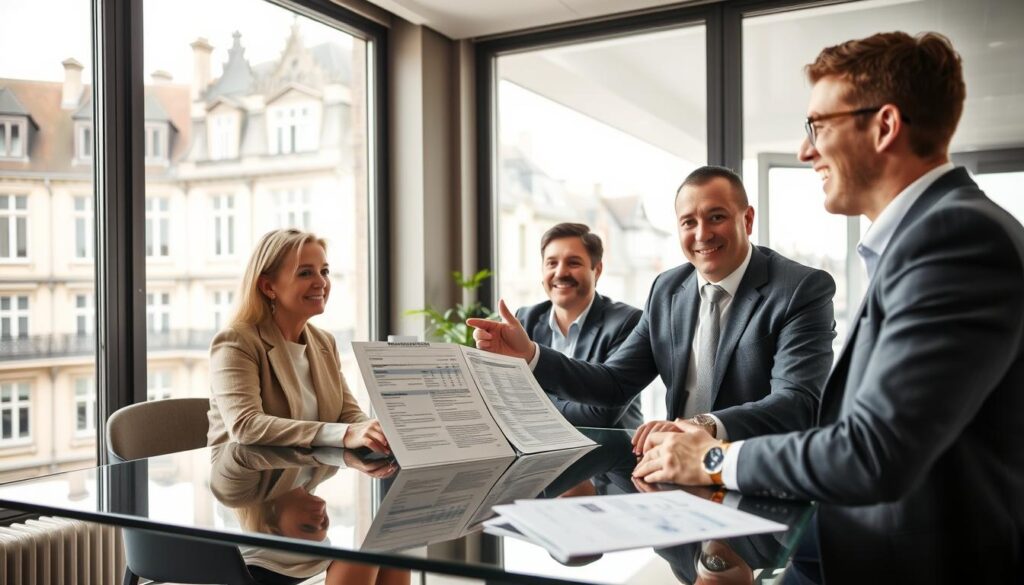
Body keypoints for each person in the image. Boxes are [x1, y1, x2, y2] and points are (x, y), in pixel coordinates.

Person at [633, 32, 1024, 583]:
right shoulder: (927, 237)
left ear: (885, 126)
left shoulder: (957, 239)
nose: (805, 150)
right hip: (838, 548)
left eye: (819, 126)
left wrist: (711, 460)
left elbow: (873, 452)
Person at [470, 166, 836, 448]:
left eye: (716, 217)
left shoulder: (800, 288)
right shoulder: (667, 289)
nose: (702, 234)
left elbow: (797, 403)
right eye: (688, 222)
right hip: (676, 473)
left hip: (756, 475)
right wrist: (533, 355)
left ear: (748, 219)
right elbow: (613, 383)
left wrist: (701, 426)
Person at [208, 228, 389, 453]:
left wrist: (377, 434)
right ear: (268, 286)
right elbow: (245, 425)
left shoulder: (324, 342)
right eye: (305, 273)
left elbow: (347, 414)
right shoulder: (236, 342)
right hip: (248, 479)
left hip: (306, 475)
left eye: (324, 271)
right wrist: (346, 434)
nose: (321, 282)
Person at [515, 222, 642, 429]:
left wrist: (532, 408)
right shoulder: (525, 319)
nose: (560, 272)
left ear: (597, 270)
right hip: (543, 454)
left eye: (573, 263)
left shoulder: (627, 322)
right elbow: (504, 401)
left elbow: (600, 416)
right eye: (551, 263)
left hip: (611, 453)